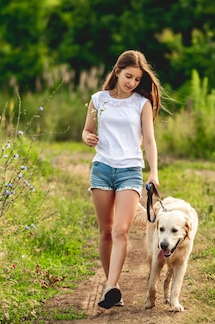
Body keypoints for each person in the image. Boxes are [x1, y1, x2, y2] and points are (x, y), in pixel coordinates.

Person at [82, 50, 163, 309]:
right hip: (102, 168)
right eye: (129, 76)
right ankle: (112, 287)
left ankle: (109, 286)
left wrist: (153, 172)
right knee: (106, 231)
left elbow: (149, 141)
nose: (132, 83)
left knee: (120, 230)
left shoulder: (142, 103)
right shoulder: (99, 100)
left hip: (130, 169)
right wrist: (86, 137)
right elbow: (87, 130)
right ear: (117, 71)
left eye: (137, 79)